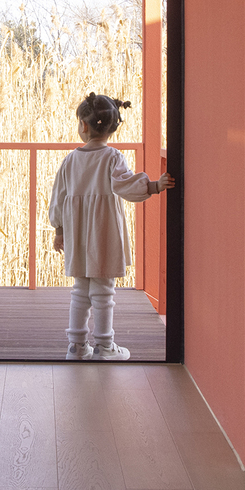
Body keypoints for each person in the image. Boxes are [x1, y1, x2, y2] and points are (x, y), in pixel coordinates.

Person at [48, 93, 175, 360]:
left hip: (77, 232)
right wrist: (153, 186)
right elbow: (125, 185)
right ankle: (105, 347)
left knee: (80, 288)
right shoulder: (112, 157)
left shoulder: (71, 160)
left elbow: (58, 196)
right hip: (103, 231)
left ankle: (77, 346)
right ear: (112, 126)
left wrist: (59, 230)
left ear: (84, 125)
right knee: (103, 289)